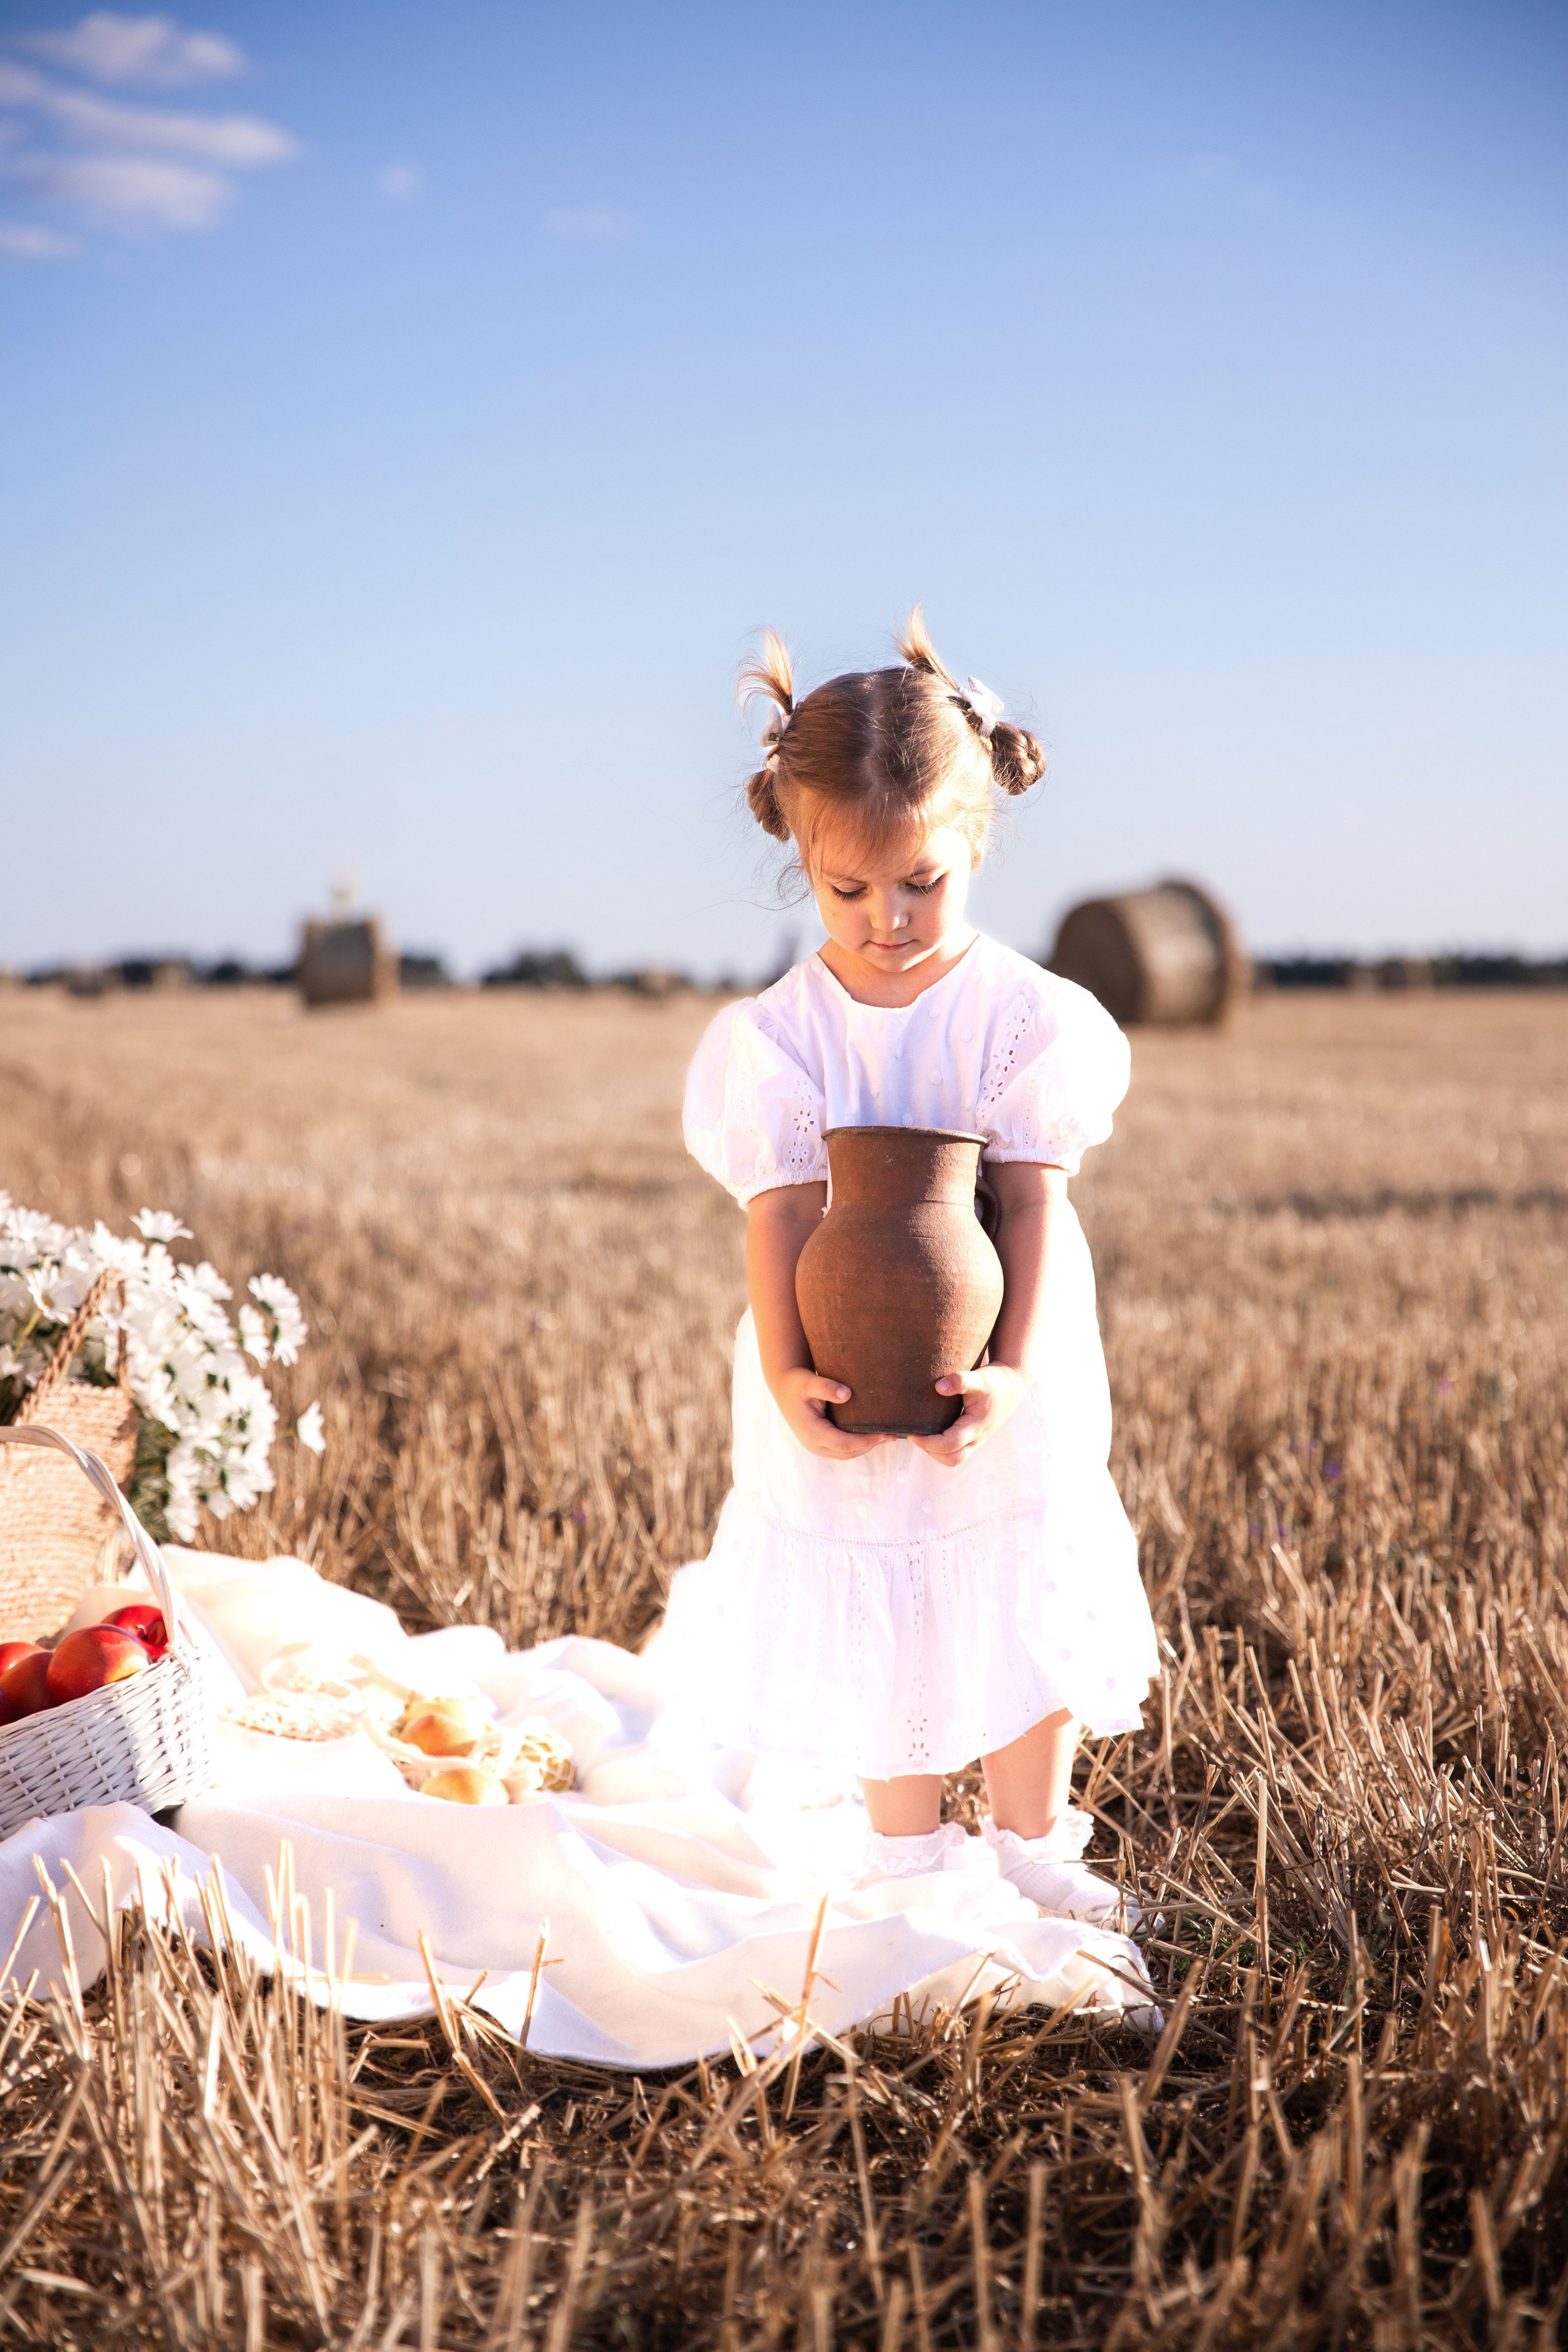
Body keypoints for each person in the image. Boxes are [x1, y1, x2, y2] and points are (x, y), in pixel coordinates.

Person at [679, 611, 1158, 1921]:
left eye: (921, 884)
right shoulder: (773, 1039)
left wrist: (1012, 1370)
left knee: (1012, 1564)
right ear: (799, 853)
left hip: (1005, 1340)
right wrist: (784, 1371)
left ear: (977, 841)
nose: (887, 920)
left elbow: (1033, 1202)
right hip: (832, 1346)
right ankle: (901, 1849)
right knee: (866, 1564)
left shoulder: (1025, 1021)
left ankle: (1032, 1841)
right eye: (848, 891)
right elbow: (774, 1218)